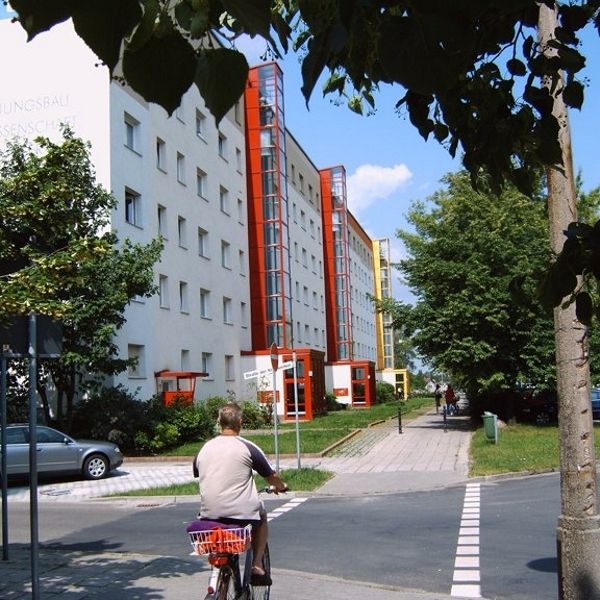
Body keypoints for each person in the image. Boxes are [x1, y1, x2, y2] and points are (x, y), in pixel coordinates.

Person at [194, 403, 287, 586]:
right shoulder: (247, 447)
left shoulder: (204, 449)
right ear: (240, 422)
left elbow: (199, 472)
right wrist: (281, 486)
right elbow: (271, 477)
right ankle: (257, 565)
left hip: (208, 513)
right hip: (242, 513)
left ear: (219, 422)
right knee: (261, 516)